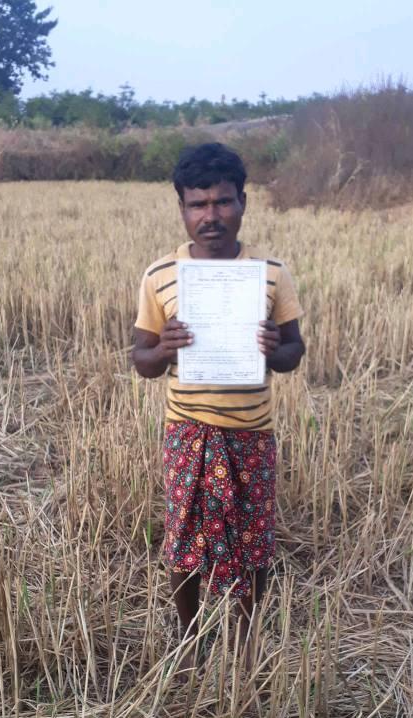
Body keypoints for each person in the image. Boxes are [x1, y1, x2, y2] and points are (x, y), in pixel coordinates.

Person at [131, 142, 305, 673]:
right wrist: (163, 349)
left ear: (243, 202)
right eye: (198, 204)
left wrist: (275, 347)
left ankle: (245, 641)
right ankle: (189, 642)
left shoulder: (271, 274)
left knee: (254, 542)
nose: (211, 215)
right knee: (185, 539)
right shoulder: (161, 275)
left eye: (223, 201)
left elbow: (294, 353)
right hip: (187, 431)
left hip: (252, 431)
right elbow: (141, 360)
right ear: (182, 208)